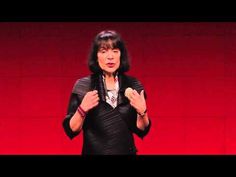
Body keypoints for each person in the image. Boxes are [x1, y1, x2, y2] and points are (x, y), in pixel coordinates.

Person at [62, 30, 151, 155]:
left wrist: (143, 112)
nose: (110, 57)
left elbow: (142, 130)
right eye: (104, 51)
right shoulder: (83, 86)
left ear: (121, 55)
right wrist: (82, 109)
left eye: (115, 51)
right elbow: (71, 130)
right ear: (96, 56)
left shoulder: (133, 85)